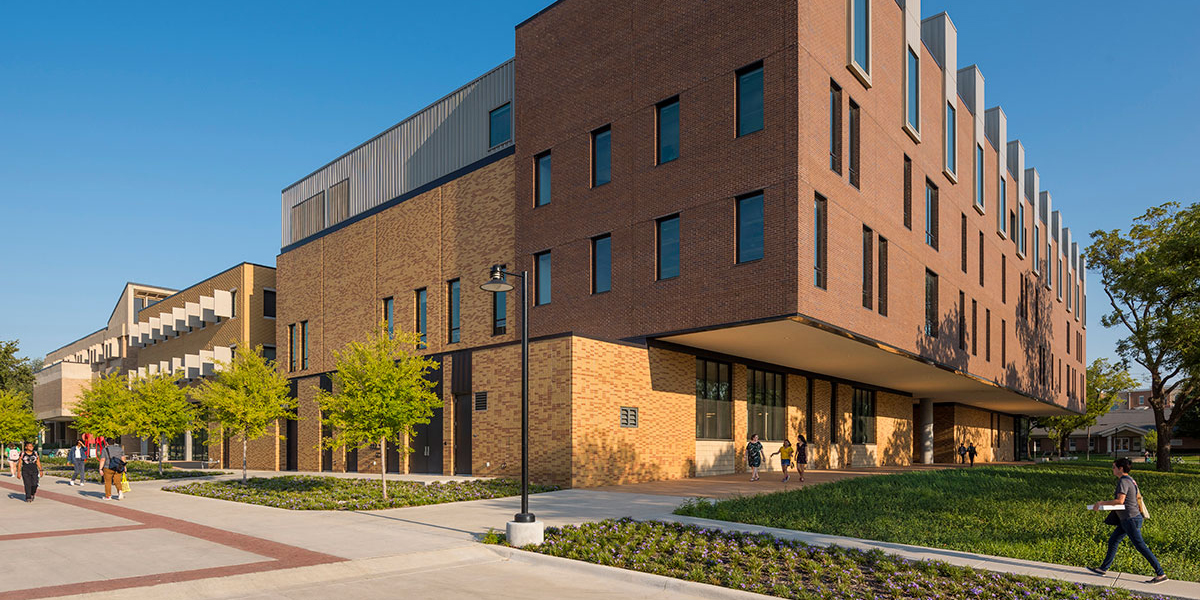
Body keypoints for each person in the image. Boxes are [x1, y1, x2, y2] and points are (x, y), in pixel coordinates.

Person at [1087, 458, 1167, 584]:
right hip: (1128, 519)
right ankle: (1103, 568)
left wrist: (1100, 503)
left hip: (1130, 519)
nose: (1112, 469)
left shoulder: (1123, 481)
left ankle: (1161, 573)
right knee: (1113, 540)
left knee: (1141, 546)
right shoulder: (1131, 480)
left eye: (1114, 467)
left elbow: (1120, 501)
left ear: (1121, 468)